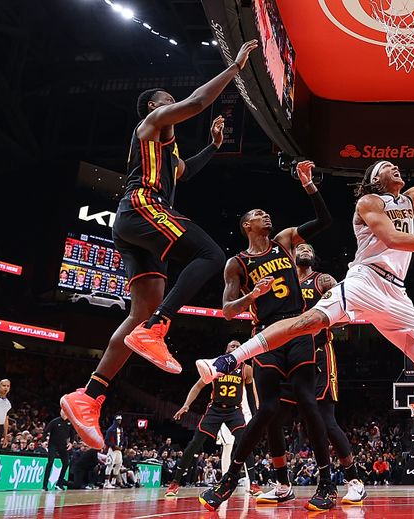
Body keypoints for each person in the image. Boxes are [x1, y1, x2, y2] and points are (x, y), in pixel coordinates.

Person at [196, 121, 414, 482]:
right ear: (375, 179)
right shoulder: (369, 201)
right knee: (307, 322)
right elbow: (391, 238)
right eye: (386, 166)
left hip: (397, 292)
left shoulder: (410, 200)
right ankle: (227, 360)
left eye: (396, 167)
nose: (395, 167)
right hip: (366, 279)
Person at [60, 39, 259, 449]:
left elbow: (183, 171)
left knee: (138, 315)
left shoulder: (166, 151)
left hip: (138, 224)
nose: (173, 105)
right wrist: (235, 67)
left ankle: (87, 396)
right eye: (166, 100)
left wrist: (214, 148)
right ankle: (160, 327)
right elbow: (199, 101)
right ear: (154, 108)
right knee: (211, 255)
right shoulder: (150, 126)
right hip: (142, 206)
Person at [199, 160, 336, 512]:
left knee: (308, 402)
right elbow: (229, 310)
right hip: (265, 336)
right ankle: (230, 480)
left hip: (298, 327)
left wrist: (309, 186)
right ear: (247, 225)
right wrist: (252, 296)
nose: (267, 217)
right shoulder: (237, 263)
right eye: (259, 214)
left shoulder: (285, 241)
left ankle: (326, 482)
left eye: (266, 213)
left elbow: (324, 221)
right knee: (267, 410)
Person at [256, 243, 366, 506]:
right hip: (285, 355)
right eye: (298, 247)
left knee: (325, 419)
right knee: (272, 417)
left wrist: (319, 322)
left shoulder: (322, 280)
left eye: (308, 247)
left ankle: (354, 481)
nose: (304, 248)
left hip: (317, 354)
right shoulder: (282, 284)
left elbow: (347, 311)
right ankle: (283, 484)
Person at [164, 340, 260, 498]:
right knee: (195, 443)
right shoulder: (216, 365)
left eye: (238, 346)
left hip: (234, 411)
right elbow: (198, 386)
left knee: (245, 443)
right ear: (226, 349)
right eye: (232, 346)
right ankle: (175, 482)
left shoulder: (246, 369)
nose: (235, 347)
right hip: (215, 409)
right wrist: (186, 405)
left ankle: (254, 483)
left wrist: (256, 414)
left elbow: (250, 394)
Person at [43, 409, 73, 491]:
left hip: (63, 446)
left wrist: (71, 443)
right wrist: (44, 441)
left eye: (66, 412)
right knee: (50, 462)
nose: (64, 413)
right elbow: (45, 432)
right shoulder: (55, 421)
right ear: (60, 412)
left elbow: (72, 434)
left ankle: (59, 484)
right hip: (53, 445)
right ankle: (44, 486)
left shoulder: (70, 423)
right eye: (63, 411)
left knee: (66, 463)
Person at [103, 415, 127, 488]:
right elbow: (106, 440)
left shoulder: (121, 429)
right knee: (110, 465)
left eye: (120, 419)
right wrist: (113, 446)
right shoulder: (110, 429)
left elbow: (122, 439)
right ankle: (106, 483)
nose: (119, 421)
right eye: (118, 420)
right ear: (115, 420)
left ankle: (113, 482)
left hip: (118, 450)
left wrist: (121, 446)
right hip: (112, 450)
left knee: (119, 464)